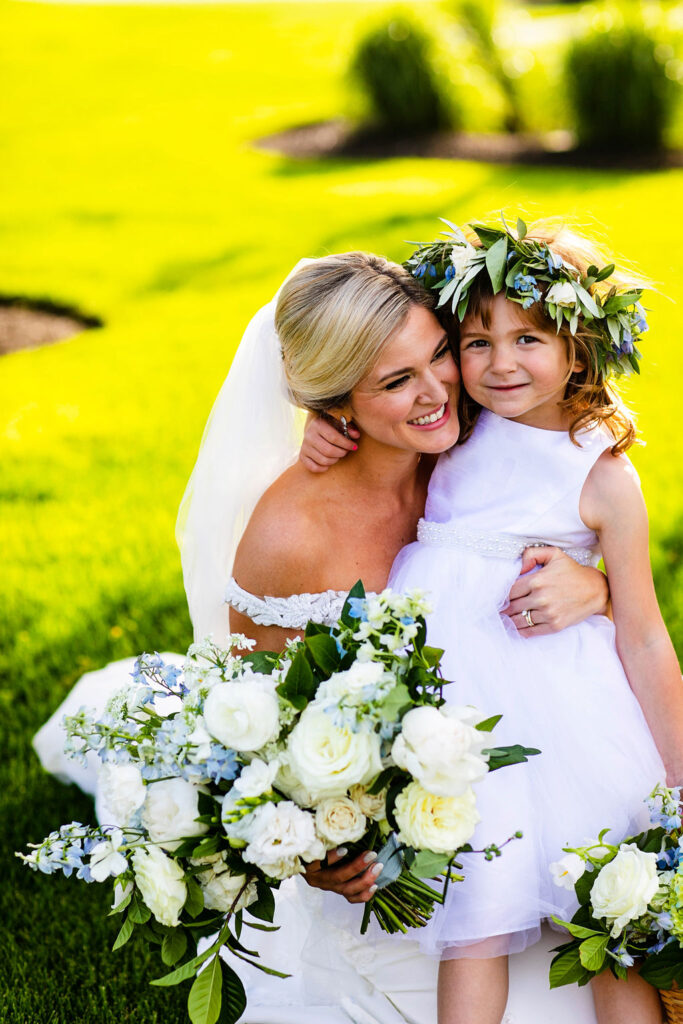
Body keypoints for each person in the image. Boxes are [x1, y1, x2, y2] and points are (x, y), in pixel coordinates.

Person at [34, 251, 610, 1024]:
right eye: (393, 381)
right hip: (395, 820)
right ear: (336, 400)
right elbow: (261, 735)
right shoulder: (288, 539)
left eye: (437, 352)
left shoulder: (479, 423)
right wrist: (314, 853)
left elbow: (571, 487)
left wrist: (593, 581)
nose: (437, 391)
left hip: (517, 772)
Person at [301, 224, 683, 1024]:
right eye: (474, 343)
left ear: (577, 347)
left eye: (528, 339)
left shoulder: (602, 474)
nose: (498, 363)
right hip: (454, 720)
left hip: (565, 717)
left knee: (605, 922)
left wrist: (679, 779)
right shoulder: (456, 431)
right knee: (472, 924)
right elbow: (375, 392)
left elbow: (644, 632)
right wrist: (324, 423)